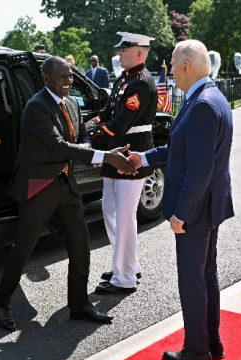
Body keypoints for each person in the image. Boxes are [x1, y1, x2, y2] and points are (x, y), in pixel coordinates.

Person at [0, 56, 139, 331]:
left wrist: (97, 150)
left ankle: (79, 304)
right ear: (46, 78)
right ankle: (1, 304)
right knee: (23, 248)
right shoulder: (36, 107)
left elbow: (80, 137)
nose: (69, 82)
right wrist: (104, 157)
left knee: (80, 243)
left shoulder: (71, 102)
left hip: (65, 184)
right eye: (63, 77)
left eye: (71, 76)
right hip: (38, 184)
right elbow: (57, 146)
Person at [129, 39, 233, 360]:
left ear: (187, 65)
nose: (170, 71)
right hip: (209, 206)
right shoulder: (210, 96)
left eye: (172, 64)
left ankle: (196, 349)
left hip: (196, 211)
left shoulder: (202, 104)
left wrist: (180, 213)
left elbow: (198, 170)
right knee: (205, 277)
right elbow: (181, 151)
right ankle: (211, 342)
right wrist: (144, 157)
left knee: (193, 280)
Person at [86, 32, 158, 295]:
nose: (119, 53)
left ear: (139, 52)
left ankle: (125, 278)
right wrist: (89, 124)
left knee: (125, 217)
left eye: (123, 49)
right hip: (116, 153)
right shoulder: (125, 80)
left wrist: (87, 136)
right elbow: (107, 114)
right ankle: (125, 264)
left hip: (131, 155)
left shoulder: (140, 83)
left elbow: (119, 125)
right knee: (111, 211)